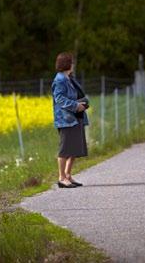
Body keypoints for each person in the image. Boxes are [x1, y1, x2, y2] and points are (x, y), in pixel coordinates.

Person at [51, 52, 89, 188]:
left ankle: (68, 175)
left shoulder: (69, 78)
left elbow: (77, 94)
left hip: (75, 117)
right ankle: (61, 178)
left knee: (74, 148)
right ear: (67, 64)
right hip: (66, 119)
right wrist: (76, 105)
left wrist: (83, 103)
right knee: (65, 149)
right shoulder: (60, 80)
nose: (73, 65)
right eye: (71, 62)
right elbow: (59, 99)